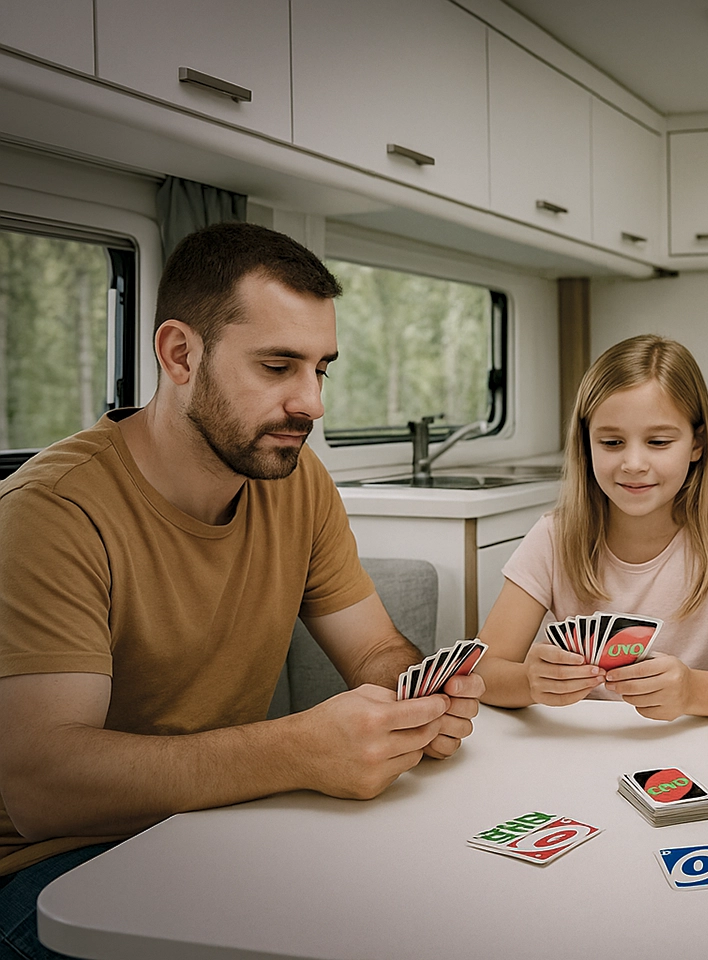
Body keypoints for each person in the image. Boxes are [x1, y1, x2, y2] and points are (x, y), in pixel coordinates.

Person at [0, 222, 482, 960]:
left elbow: (375, 650)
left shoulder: (297, 480)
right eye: (278, 366)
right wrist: (297, 751)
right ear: (179, 354)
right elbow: (45, 790)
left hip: (223, 821)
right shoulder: (52, 513)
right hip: (55, 872)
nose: (312, 403)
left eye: (321, 369)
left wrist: (418, 698)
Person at [475, 334, 708, 720]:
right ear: (586, 444)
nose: (633, 463)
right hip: (575, 740)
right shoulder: (553, 537)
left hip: (689, 741)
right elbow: (483, 670)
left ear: (697, 444)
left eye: (658, 442)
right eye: (612, 442)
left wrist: (692, 691)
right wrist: (529, 682)